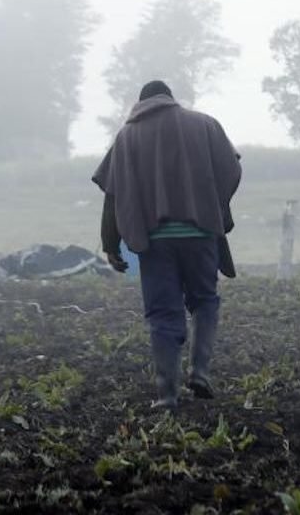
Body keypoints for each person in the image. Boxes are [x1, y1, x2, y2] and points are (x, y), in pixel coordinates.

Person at [92, 80, 242, 409]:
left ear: (140, 103)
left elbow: (112, 195)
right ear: (170, 99)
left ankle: (167, 394)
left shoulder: (126, 136)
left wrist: (111, 243)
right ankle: (200, 371)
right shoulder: (204, 124)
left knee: (162, 313)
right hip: (200, 234)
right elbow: (231, 170)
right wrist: (216, 207)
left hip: (155, 241)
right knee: (204, 301)